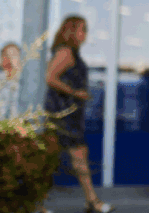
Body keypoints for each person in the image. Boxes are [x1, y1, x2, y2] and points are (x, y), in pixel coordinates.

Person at [44, 15, 114, 213]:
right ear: (71, 31)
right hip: (62, 114)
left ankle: (92, 201)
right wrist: (75, 93)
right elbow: (50, 77)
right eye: (82, 30)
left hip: (70, 115)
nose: (85, 35)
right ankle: (35, 202)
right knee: (55, 159)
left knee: (77, 156)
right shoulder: (65, 52)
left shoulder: (72, 53)